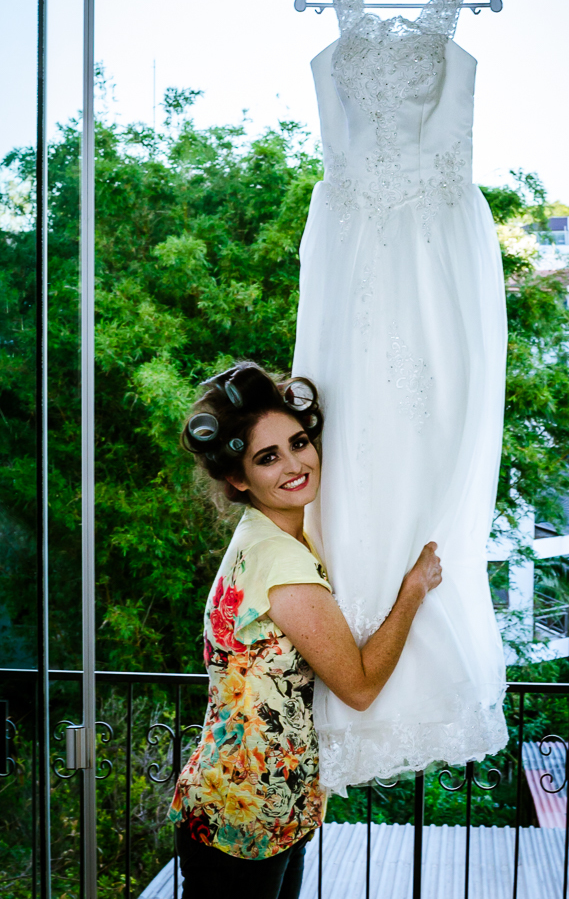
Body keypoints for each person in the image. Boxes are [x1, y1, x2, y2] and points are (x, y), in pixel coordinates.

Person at [169, 361, 441, 899]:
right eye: (268, 457)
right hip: (242, 812)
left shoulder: (266, 536)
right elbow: (359, 687)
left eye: (298, 443)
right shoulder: (280, 560)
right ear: (238, 478)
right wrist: (413, 590)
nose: (295, 464)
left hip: (267, 803)